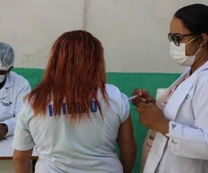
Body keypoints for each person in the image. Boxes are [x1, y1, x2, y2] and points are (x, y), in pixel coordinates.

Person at [132, 4, 208, 173]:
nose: (173, 44)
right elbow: (185, 114)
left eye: (178, 38)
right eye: (171, 38)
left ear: (203, 40)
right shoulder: (193, 71)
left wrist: (161, 124)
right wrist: (156, 106)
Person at [12, 30, 136, 173]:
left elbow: (20, 159)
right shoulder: (114, 96)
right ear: (96, 61)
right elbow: (129, 150)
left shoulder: (35, 102)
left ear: (55, 61)